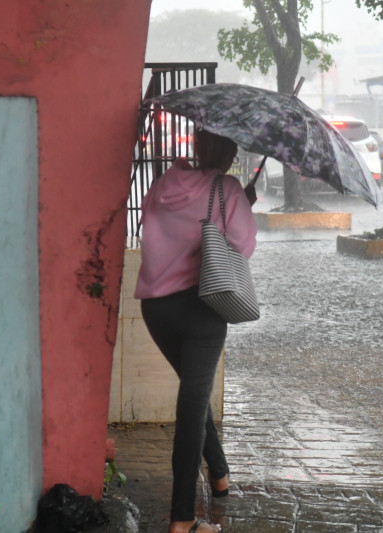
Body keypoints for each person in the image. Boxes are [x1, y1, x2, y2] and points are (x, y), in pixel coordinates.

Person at [134, 128, 257, 533]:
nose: (235, 153)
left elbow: (146, 230)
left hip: (156, 308)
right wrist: (243, 206)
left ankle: (219, 475)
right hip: (203, 308)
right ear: (223, 149)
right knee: (191, 408)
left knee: (195, 390)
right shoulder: (228, 189)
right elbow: (243, 246)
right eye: (232, 146)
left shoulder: (166, 181)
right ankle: (183, 517)